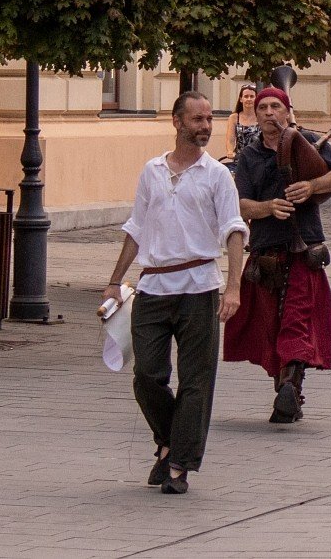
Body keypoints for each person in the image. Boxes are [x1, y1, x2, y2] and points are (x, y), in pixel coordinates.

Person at [102, 92, 246, 495]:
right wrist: (116, 280)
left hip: (199, 286)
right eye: (197, 119)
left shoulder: (218, 174)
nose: (205, 126)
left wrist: (232, 287)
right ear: (177, 122)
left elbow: (234, 230)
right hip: (153, 286)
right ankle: (168, 443)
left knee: (197, 380)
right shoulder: (151, 171)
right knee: (146, 374)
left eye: (208, 120)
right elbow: (136, 229)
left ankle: (180, 464)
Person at [223, 86, 331, 423]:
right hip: (266, 252)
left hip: (303, 249)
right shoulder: (249, 156)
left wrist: (312, 186)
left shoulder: (306, 141)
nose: (268, 112)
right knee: (270, 327)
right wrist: (268, 207)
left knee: (296, 322)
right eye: (263, 107)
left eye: (275, 107)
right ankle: (287, 392)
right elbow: (239, 204)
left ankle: (290, 388)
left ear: (286, 111)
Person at [224, 83, 260, 162]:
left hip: (258, 159)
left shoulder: (261, 117)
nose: (249, 99)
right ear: (241, 99)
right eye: (246, 96)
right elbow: (230, 139)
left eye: (252, 96)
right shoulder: (234, 117)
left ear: (256, 98)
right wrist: (230, 151)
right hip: (240, 159)